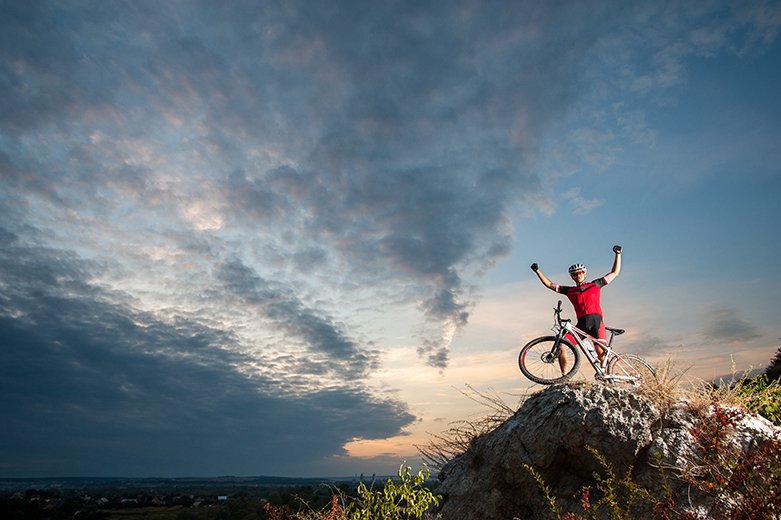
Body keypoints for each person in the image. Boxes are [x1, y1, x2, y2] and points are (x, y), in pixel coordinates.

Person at [530, 245, 622, 372]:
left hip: (596, 322)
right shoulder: (570, 291)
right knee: (562, 345)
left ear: (584, 273)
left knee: (600, 352)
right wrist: (537, 271)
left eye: (579, 273)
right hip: (582, 324)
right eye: (574, 274)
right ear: (571, 277)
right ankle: (564, 376)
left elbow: (614, 273)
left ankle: (607, 376)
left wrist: (618, 254)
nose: (577, 275)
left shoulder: (595, 284)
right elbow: (550, 285)